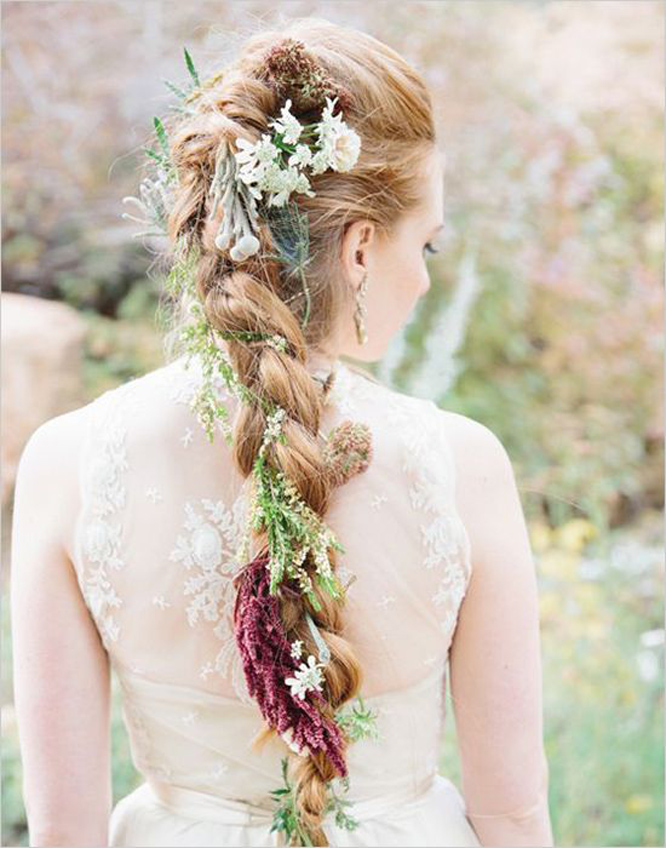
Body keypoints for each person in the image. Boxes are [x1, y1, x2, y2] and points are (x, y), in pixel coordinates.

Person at [10, 17, 554, 848]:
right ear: (362, 251)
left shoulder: (68, 463)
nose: (427, 276)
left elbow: (62, 834)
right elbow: (511, 814)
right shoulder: (463, 467)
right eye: (430, 242)